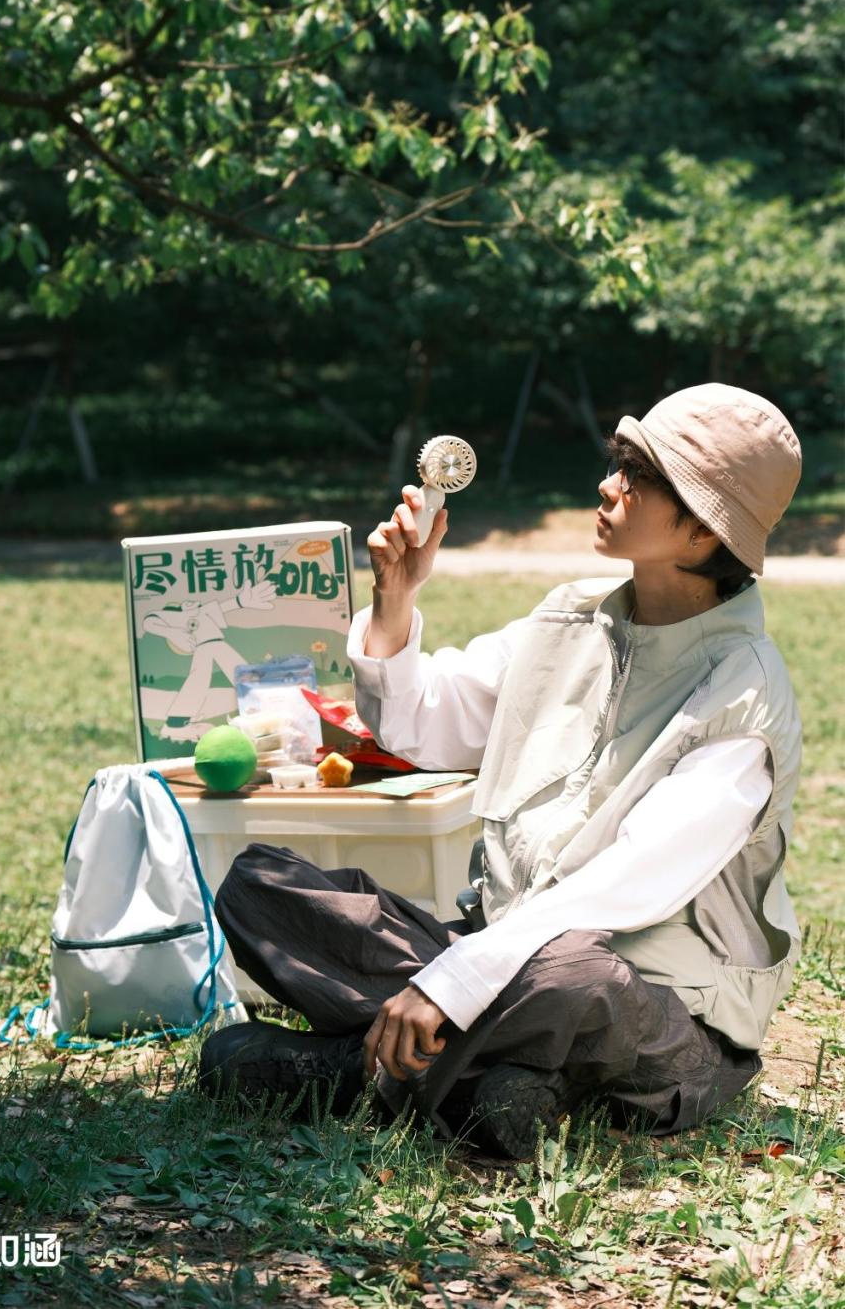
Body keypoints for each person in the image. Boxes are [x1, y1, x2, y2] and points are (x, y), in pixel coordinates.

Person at [198, 384, 804, 1157]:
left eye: (638, 476)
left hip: (654, 1009)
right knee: (259, 886)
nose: (608, 485)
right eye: (617, 463)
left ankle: (352, 1070)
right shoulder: (568, 618)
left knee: (575, 976)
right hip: (501, 948)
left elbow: (625, 885)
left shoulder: (743, 698)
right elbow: (425, 721)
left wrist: (450, 982)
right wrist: (395, 598)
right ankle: (502, 1085)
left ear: (702, 529)